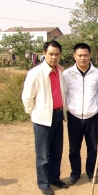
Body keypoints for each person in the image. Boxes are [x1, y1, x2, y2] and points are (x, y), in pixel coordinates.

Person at [22, 40, 68, 195]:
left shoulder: (60, 72)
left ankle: (54, 178)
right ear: (44, 54)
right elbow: (27, 98)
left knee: (56, 151)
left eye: (56, 54)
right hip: (42, 119)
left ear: (60, 55)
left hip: (58, 116)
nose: (54, 57)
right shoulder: (35, 73)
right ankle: (43, 184)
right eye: (50, 54)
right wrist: (35, 114)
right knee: (42, 155)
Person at [63, 43, 98, 185]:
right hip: (74, 117)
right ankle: (75, 173)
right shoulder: (67, 74)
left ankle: (91, 172)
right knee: (74, 148)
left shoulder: (97, 74)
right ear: (74, 56)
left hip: (92, 117)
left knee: (92, 147)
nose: (82, 58)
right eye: (79, 55)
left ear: (89, 55)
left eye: (85, 55)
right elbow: (65, 94)